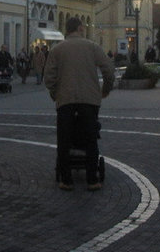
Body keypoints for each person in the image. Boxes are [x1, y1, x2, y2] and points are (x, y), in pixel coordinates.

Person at [44, 17, 115, 191]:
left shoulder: (57, 49)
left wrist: (55, 94)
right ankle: (92, 179)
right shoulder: (92, 47)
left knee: (64, 138)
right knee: (90, 138)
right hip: (90, 99)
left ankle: (66, 179)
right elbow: (109, 70)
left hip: (65, 99)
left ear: (67, 30)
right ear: (80, 28)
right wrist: (105, 90)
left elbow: (49, 77)